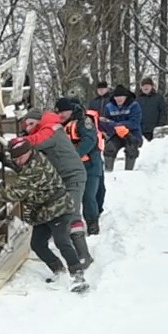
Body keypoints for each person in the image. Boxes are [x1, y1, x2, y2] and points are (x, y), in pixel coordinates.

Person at [0, 136, 88, 292]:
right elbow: (23, 171)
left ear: (28, 152)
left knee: (61, 240)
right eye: (15, 159)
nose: (17, 161)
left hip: (59, 208)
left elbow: (18, 192)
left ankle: (78, 275)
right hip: (43, 212)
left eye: (19, 158)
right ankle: (59, 270)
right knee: (37, 244)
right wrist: (8, 162)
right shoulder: (31, 159)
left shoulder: (36, 168)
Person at [19, 110, 92, 268]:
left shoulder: (51, 129)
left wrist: (18, 143)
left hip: (72, 177)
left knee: (71, 213)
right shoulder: (48, 129)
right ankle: (68, 262)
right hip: (60, 179)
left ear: (39, 121)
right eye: (26, 125)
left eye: (31, 124)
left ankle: (84, 255)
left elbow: (36, 142)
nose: (28, 128)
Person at [53, 97, 104, 235]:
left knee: (89, 196)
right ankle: (70, 224)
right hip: (71, 167)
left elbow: (90, 140)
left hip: (90, 165)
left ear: (70, 110)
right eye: (58, 113)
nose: (61, 115)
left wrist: (74, 155)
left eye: (63, 112)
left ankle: (92, 222)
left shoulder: (84, 121)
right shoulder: (58, 125)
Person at [99, 85, 143, 171]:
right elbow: (107, 122)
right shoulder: (109, 107)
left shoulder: (134, 106)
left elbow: (135, 123)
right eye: (116, 97)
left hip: (132, 133)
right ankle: (108, 171)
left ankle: (129, 172)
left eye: (121, 97)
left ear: (126, 97)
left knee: (132, 148)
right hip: (116, 134)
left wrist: (117, 125)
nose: (118, 99)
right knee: (109, 147)